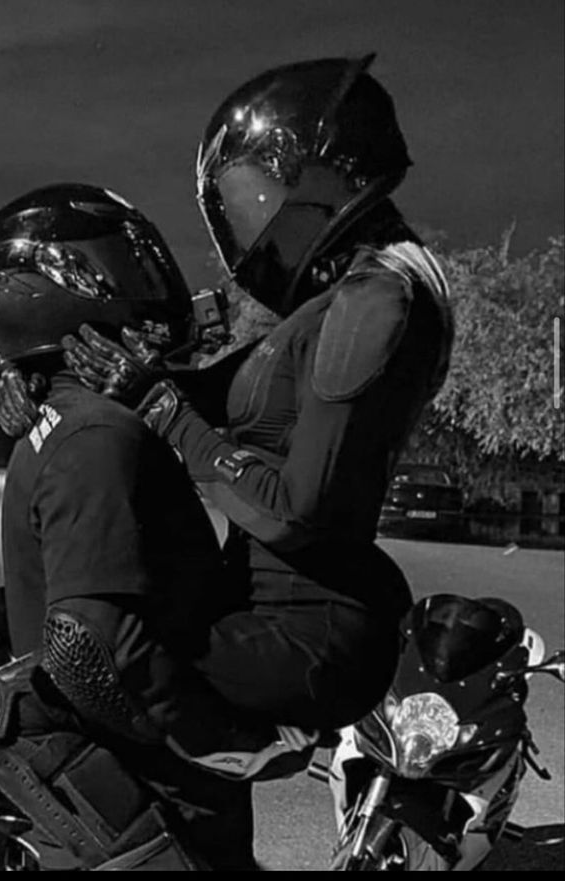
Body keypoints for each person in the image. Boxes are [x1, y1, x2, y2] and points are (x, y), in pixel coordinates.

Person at [56, 55, 455, 735]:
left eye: (257, 193)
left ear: (315, 178)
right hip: (268, 601)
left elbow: (301, 513)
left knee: (87, 660)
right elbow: (209, 391)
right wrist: (47, 378)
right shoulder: (339, 299)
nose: (249, 223)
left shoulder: (378, 299)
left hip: (308, 630)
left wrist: (164, 409)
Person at [0, 183, 314, 871]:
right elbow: (86, 645)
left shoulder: (56, 417)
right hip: (157, 807)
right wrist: (224, 739)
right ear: (80, 275)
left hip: (109, 787)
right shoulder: (97, 433)